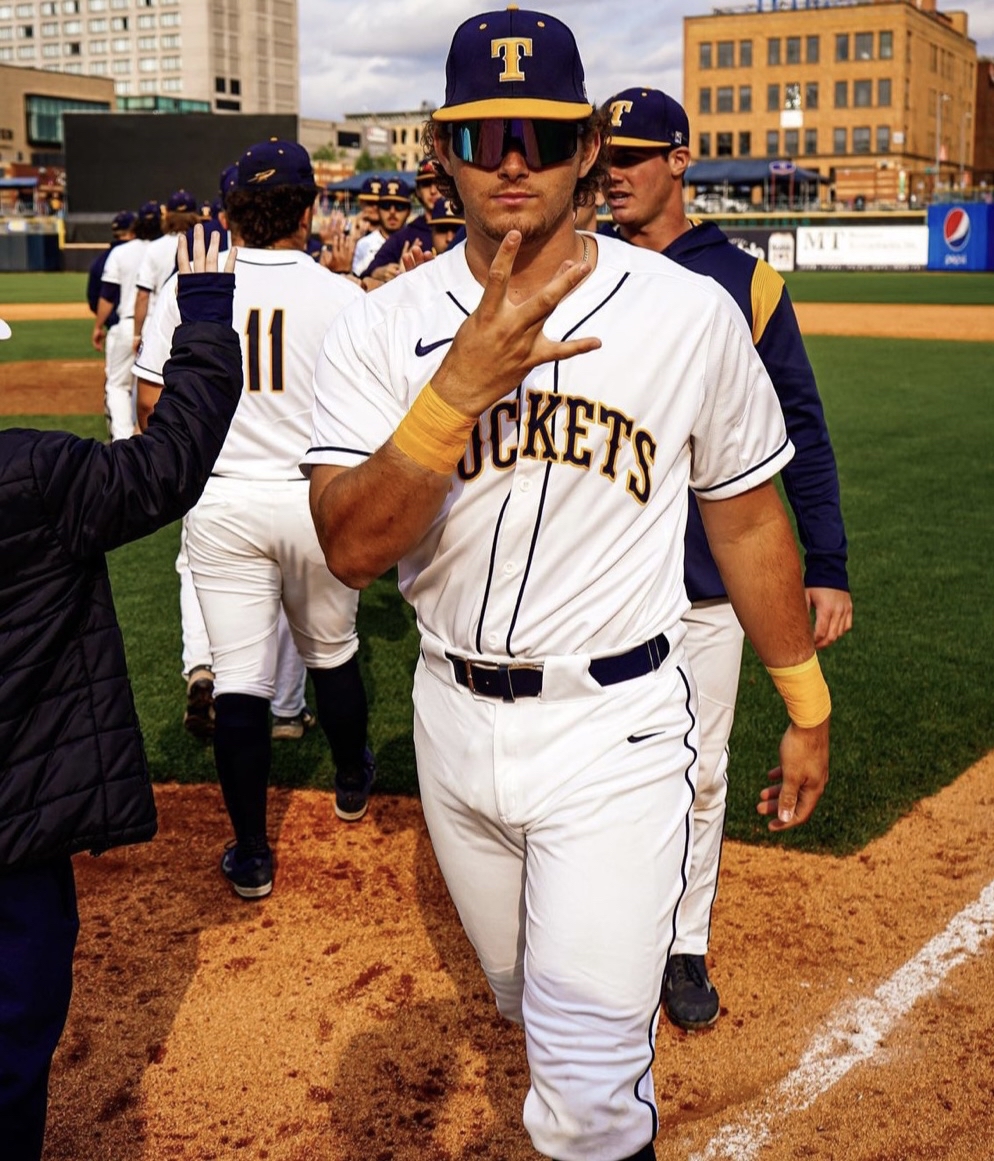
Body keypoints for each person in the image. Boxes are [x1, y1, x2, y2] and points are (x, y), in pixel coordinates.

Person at [305, 9, 831, 1161]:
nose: (510, 159)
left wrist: (804, 701)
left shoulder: (685, 314)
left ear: (587, 147)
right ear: (439, 149)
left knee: (588, 1089)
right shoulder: (377, 325)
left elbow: (744, 518)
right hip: (450, 720)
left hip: (617, 729)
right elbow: (349, 547)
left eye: (539, 135)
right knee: (514, 998)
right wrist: (457, 392)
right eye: (482, 133)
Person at [603, 86, 852, 1032]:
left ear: (681, 160)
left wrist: (823, 561)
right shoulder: (582, 268)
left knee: (698, 770)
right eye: (604, 155)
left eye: (633, 154)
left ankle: (681, 943)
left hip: (708, 583)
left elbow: (805, 431)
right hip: (603, 578)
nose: (612, 172)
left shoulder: (742, 282)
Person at [0, 227, 241, 1161]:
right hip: (18, 835)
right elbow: (169, 465)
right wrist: (211, 313)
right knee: (14, 1051)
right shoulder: (30, 477)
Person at [136, 139, 376, 903]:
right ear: (308, 211)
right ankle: (350, 778)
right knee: (331, 652)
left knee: (239, 676)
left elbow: (151, 410)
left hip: (223, 495)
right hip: (314, 495)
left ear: (231, 209)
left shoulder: (189, 286)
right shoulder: (343, 296)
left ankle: (251, 851)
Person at [92, 200, 162, 440]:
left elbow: (108, 295)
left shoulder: (120, 252)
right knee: (158, 385)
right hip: (162, 327)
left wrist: (98, 325)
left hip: (128, 324)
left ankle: (123, 442)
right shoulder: (167, 248)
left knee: (117, 385)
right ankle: (154, 441)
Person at [132, 189, 202, 352]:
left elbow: (143, 295)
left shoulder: (154, 248)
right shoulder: (202, 244)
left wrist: (136, 334)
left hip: (158, 324)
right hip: (194, 325)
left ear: (168, 215)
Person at [363, 159, 443, 276]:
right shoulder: (404, 236)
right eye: (426, 184)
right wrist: (379, 273)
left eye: (438, 182)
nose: (433, 190)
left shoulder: (466, 228)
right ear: (418, 191)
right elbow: (368, 274)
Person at [352, 178, 412, 282]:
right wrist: (374, 274)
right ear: (378, 209)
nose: (392, 212)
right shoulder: (363, 243)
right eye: (386, 206)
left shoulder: (417, 239)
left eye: (399, 206)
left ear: (408, 211)